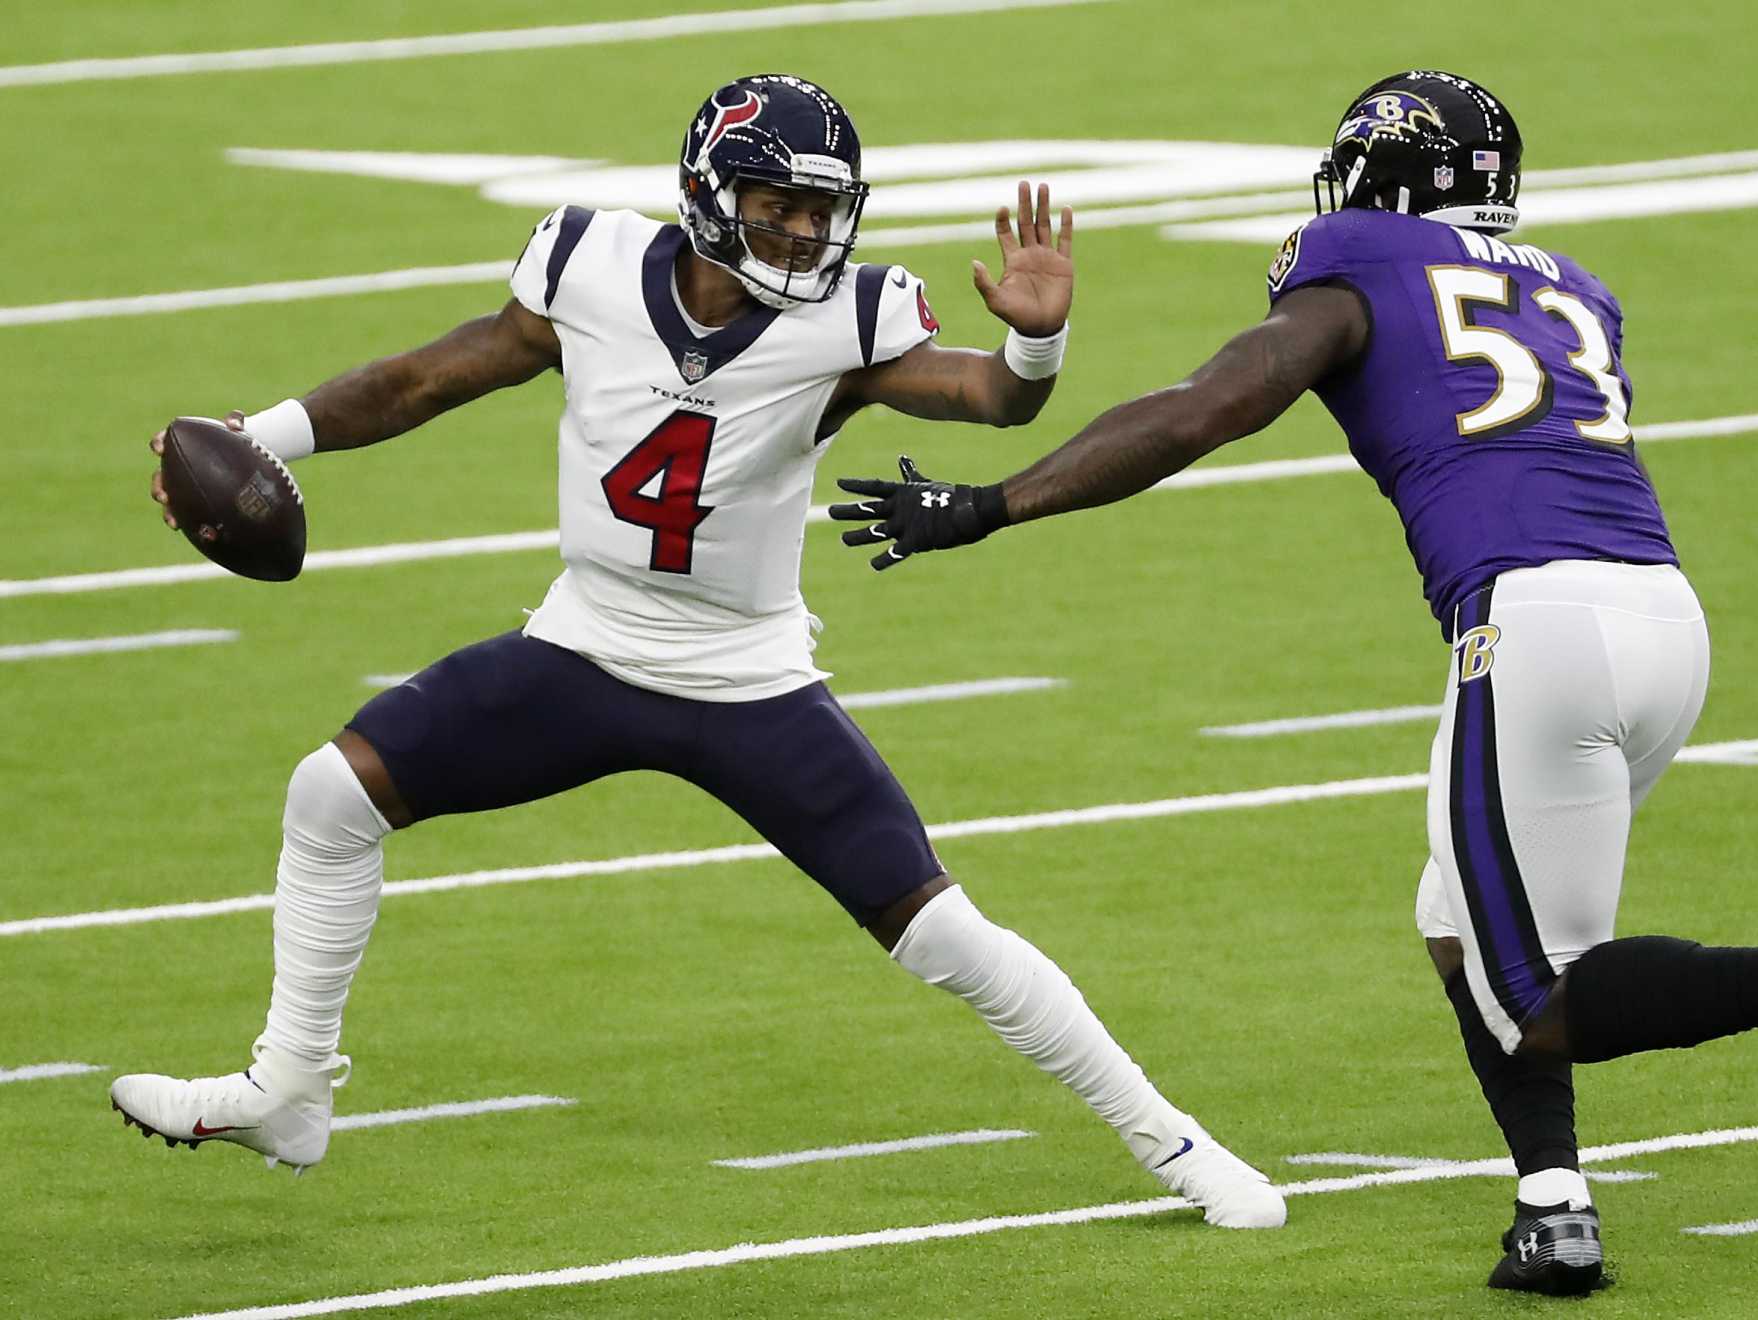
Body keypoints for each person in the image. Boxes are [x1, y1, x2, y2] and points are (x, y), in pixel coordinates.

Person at [826, 69, 1758, 1292]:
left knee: (1538, 1000)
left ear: (1376, 182)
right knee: (1460, 922)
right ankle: (1553, 1206)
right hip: (1661, 619)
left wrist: (991, 505)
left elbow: (1199, 412)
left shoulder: (1358, 266)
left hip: (1531, 627)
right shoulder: (1569, 288)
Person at [112, 73, 1285, 1231]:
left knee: (938, 931)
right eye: (781, 204)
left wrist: (1035, 345)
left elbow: (987, 397)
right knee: (331, 794)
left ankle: (1173, 1142)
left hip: (744, 679)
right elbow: (422, 378)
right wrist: (250, 436)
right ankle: (287, 1091)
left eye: (824, 208)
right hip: (581, 645)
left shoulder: (844, 318)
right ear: (709, 193)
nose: (808, 230)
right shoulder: (592, 267)